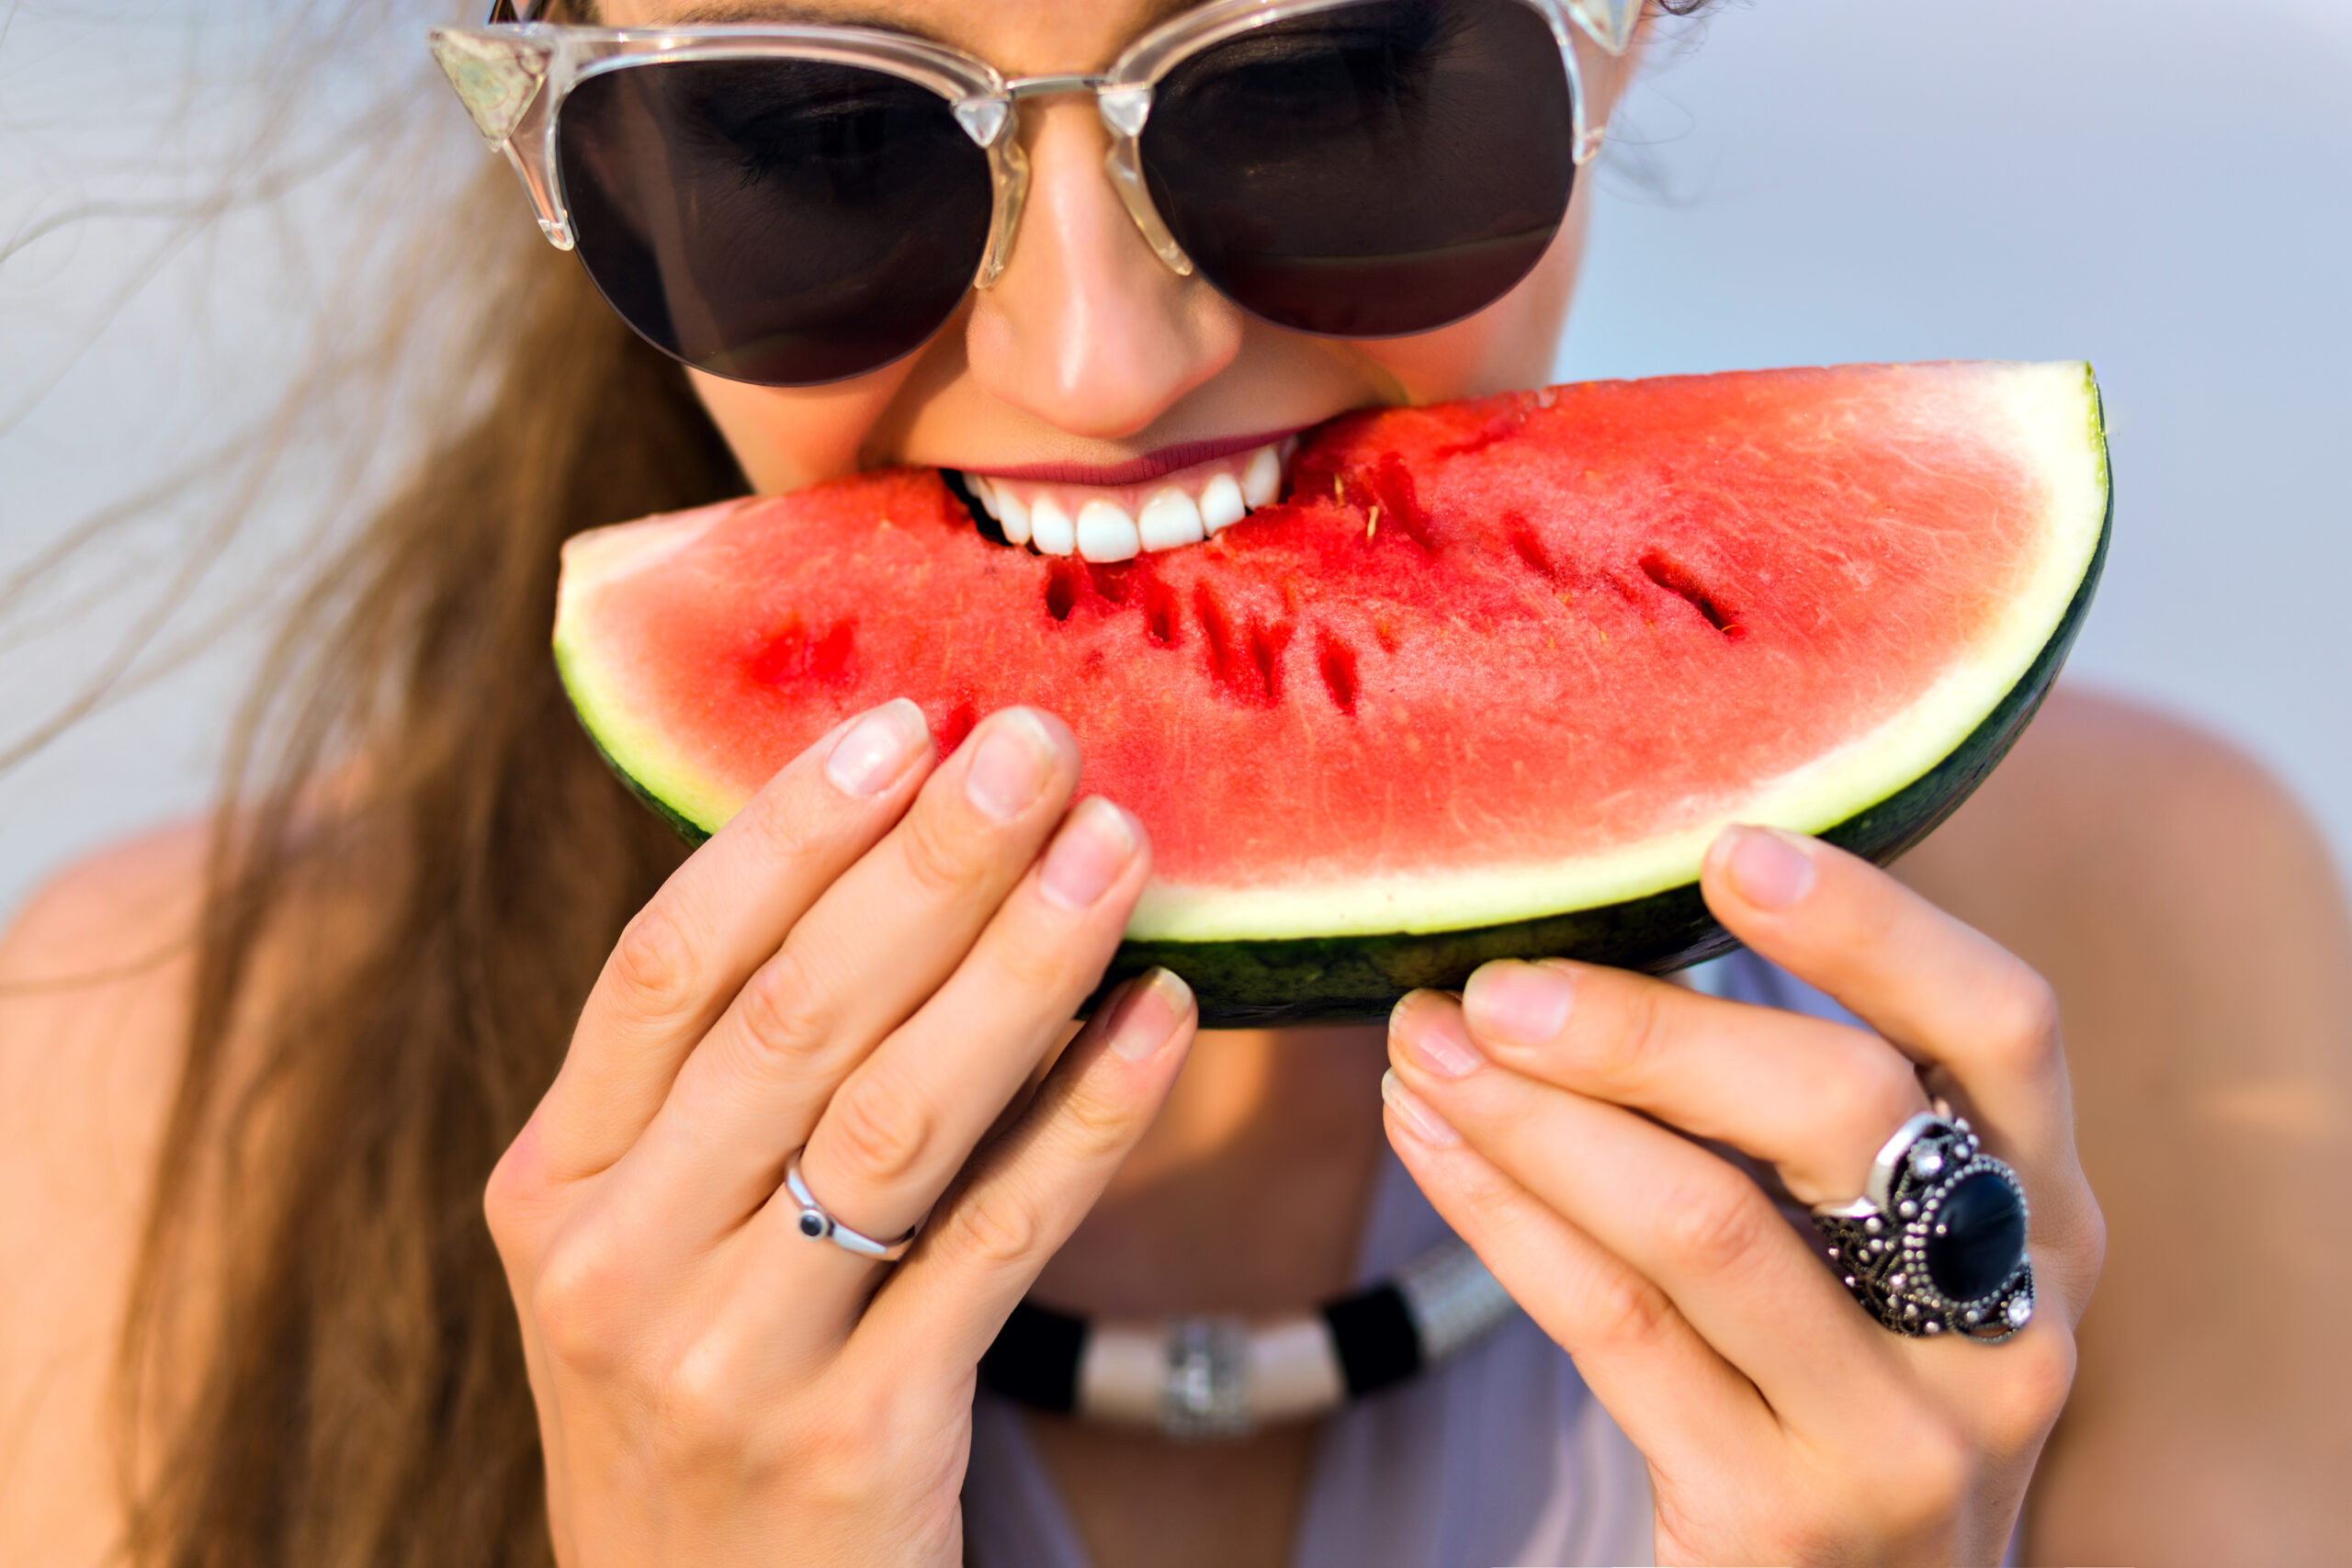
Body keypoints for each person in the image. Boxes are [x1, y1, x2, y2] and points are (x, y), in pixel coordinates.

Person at [3, 1, 2346, 1563]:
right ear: (581, 159)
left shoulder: (2147, 958)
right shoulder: (147, 1076)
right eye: (820, 143)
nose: (1105, 365)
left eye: (1315, 78)